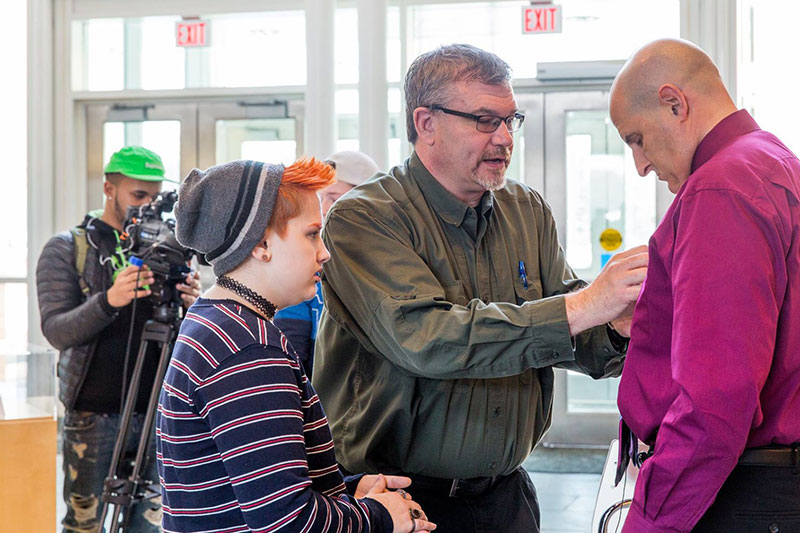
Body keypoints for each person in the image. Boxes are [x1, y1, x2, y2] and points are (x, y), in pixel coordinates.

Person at [313, 43, 648, 532]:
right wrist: (585, 305)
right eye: (484, 120)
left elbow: (570, 328)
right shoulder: (364, 218)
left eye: (511, 120)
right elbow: (428, 338)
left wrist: (616, 323)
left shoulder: (526, 210)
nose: (504, 139)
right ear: (425, 123)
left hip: (505, 497)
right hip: (396, 502)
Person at [157, 158, 436, 532]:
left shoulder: (219, 321)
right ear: (261, 243)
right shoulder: (248, 349)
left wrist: (349, 493)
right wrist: (383, 516)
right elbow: (287, 521)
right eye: (311, 234)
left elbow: (256, 489)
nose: (325, 252)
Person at [609, 38, 800, 532]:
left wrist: (650, 522)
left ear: (675, 104)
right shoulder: (774, 160)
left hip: (744, 493)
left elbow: (715, 402)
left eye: (636, 139)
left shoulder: (720, 188)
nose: (641, 164)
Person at [36, 145, 201, 532]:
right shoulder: (68, 248)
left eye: (155, 196)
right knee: (85, 525)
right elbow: (57, 330)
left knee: (148, 526)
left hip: (159, 412)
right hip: (94, 417)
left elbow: (184, 339)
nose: (147, 205)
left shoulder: (169, 246)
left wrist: (194, 306)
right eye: (138, 195)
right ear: (109, 189)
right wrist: (109, 301)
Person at [275, 150, 380, 377]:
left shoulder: (390, 262)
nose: (323, 209)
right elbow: (291, 355)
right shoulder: (307, 263)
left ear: (370, 199)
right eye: (320, 198)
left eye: (333, 197)